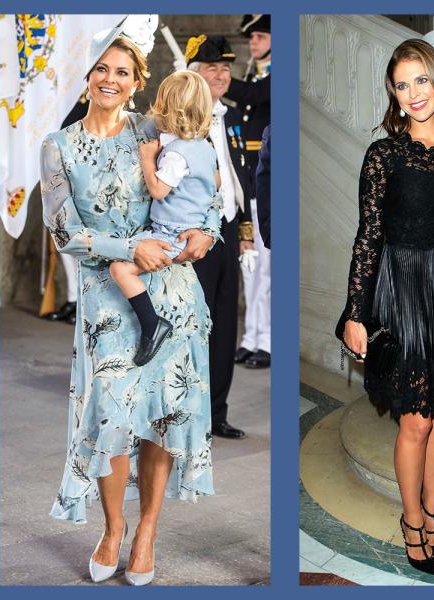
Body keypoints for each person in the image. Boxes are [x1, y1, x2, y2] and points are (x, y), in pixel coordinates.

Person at [41, 20, 216, 586]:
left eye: (122, 72)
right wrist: (127, 246)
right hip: (107, 293)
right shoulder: (59, 146)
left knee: (161, 412)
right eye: (100, 69)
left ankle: (147, 531)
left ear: (138, 81)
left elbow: (206, 191)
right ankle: (113, 526)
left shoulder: (156, 130)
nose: (109, 79)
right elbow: (64, 231)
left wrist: (207, 232)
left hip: (173, 285)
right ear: (86, 76)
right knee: (114, 411)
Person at [339, 39, 434, 577]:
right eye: (401, 85)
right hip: (401, 295)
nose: (413, 95)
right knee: (415, 421)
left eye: (421, 81)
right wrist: (355, 313)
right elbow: (369, 238)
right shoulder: (383, 156)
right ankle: (411, 521)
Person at [108, 69, 221, 367]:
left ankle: (152, 324)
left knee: (121, 269)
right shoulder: (205, 148)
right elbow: (216, 183)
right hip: (181, 227)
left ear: (166, 106)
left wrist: (147, 159)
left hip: (169, 233)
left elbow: (158, 190)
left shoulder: (176, 153)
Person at [186, 35, 255, 439]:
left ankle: (216, 413)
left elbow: (238, 180)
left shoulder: (231, 117)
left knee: (226, 324)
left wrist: (244, 233)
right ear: (193, 72)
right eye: (212, 67)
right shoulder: (181, 121)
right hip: (194, 234)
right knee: (194, 325)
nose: (221, 74)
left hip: (227, 231)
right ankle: (186, 414)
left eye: (226, 68)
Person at [228, 16, 272, 370]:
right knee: (251, 268)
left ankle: (268, 341)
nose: (253, 42)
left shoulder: (272, 78)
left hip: (269, 184)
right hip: (249, 180)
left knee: (268, 270)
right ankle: (251, 337)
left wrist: (219, 77)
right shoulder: (256, 73)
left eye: (260, 36)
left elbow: (255, 95)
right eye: (252, 37)